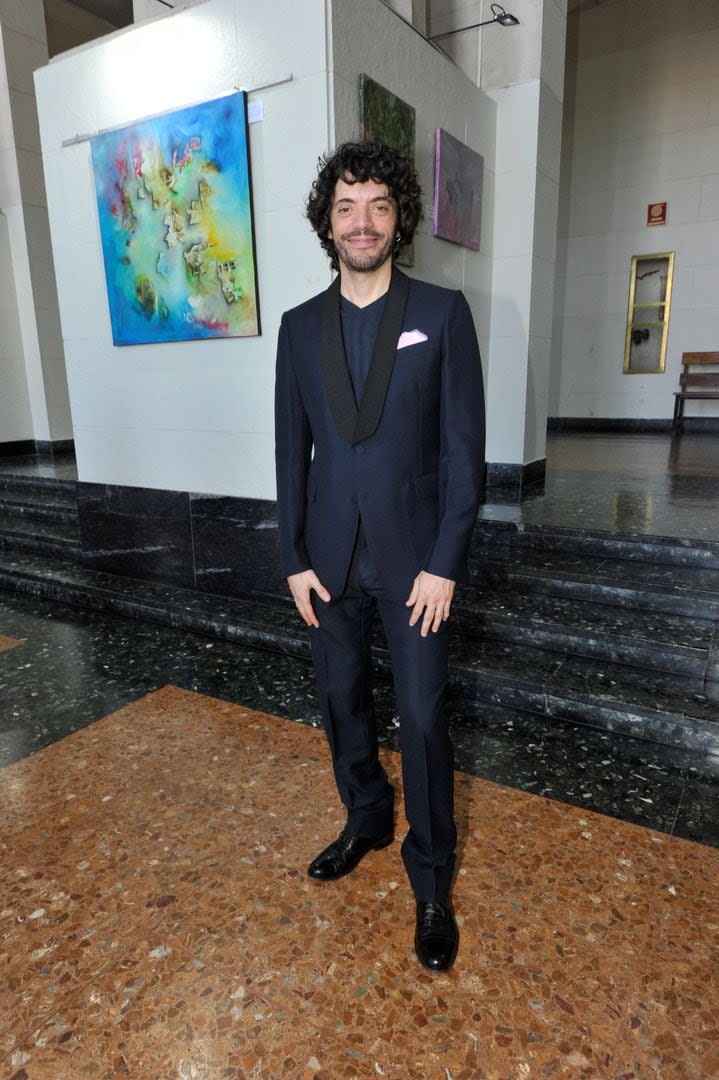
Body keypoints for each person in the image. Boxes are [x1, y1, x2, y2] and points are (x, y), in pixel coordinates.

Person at [274, 140, 485, 972]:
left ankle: (430, 876)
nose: (361, 222)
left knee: (425, 717)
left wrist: (445, 561)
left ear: (399, 219)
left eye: (378, 206)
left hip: (414, 565)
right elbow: (292, 454)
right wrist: (290, 555)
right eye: (345, 208)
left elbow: (463, 456)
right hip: (326, 559)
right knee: (340, 701)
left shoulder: (441, 313)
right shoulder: (297, 329)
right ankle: (364, 818)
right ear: (327, 224)